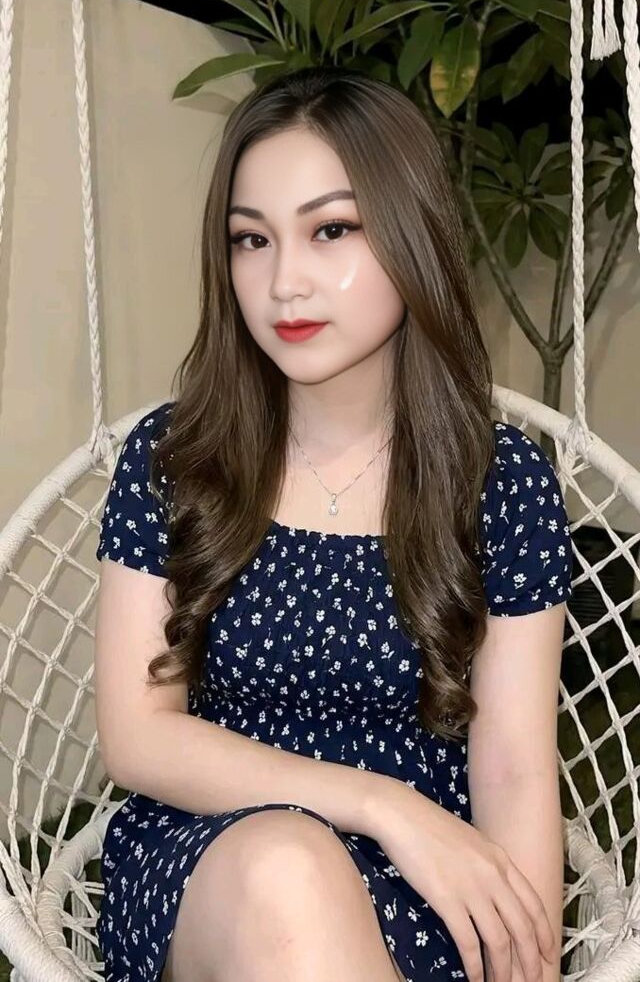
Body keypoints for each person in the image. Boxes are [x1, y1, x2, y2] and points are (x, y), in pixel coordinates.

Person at [94, 65, 573, 982]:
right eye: (251, 239)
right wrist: (381, 804)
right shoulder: (177, 456)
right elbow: (138, 733)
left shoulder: (500, 481)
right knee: (291, 871)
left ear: (411, 235)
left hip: (425, 880)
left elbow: (514, 764)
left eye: (331, 229)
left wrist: (523, 954)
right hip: (213, 858)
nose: (284, 283)